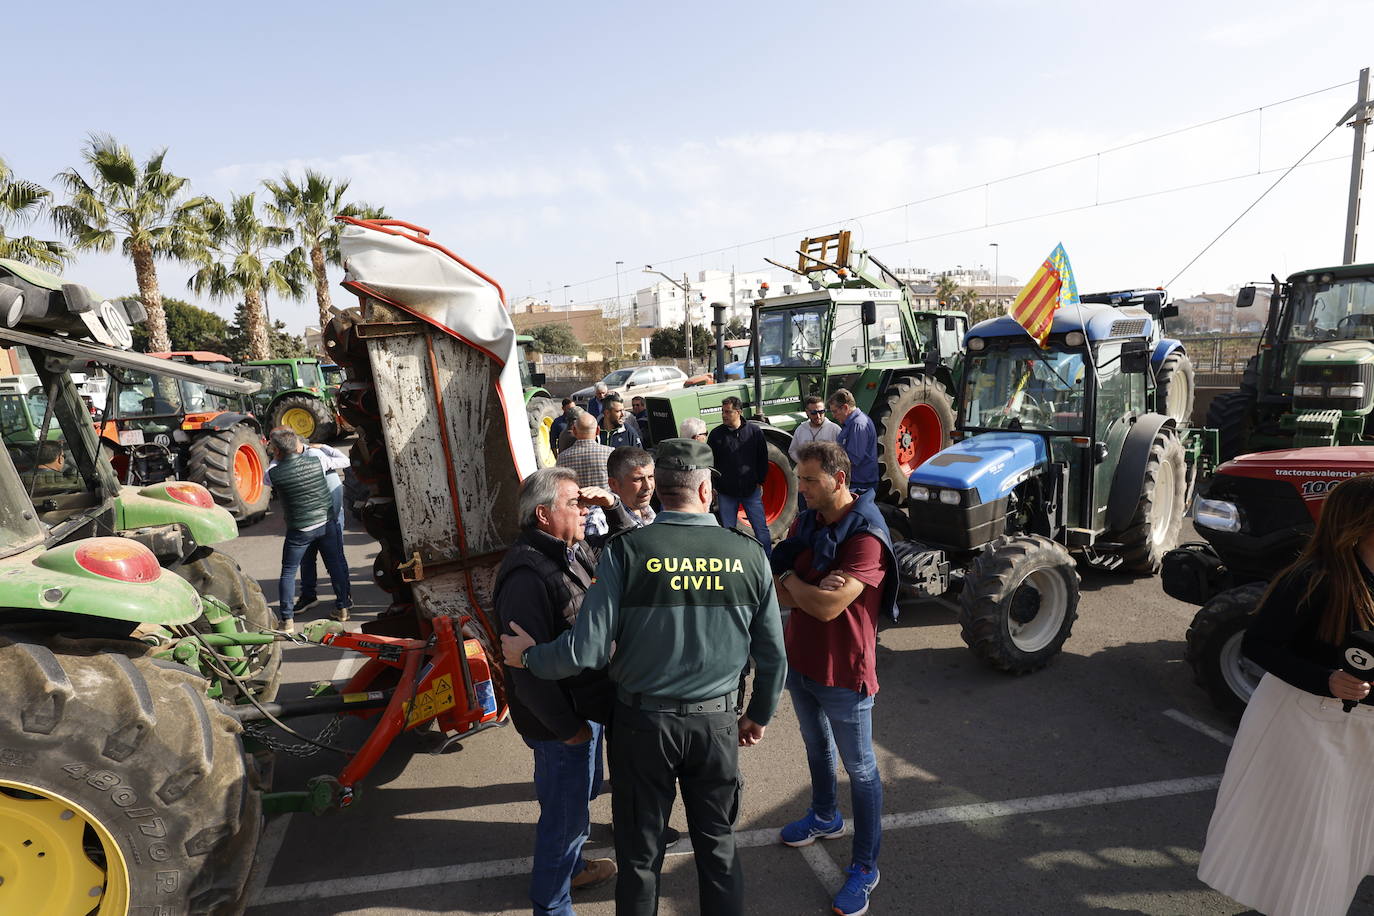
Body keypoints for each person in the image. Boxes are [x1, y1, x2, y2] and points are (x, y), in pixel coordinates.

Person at [502, 438, 787, 916]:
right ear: (705, 489)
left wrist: (530, 659)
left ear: (662, 491)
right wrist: (759, 714)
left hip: (642, 728)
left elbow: (586, 649)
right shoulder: (748, 554)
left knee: (639, 858)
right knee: (717, 849)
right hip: (715, 726)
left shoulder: (625, 552)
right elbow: (774, 655)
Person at [1198, 475, 1374, 916]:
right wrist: (1326, 680)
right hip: (1312, 726)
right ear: (1361, 523)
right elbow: (1257, 644)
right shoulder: (1312, 578)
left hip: (1361, 735)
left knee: (1347, 838)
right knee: (1316, 839)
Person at [771, 441, 896, 916]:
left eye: (809, 481)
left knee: (862, 770)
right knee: (815, 745)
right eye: (800, 479)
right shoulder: (809, 522)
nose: (800, 490)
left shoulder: (867, 534)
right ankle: (825, 815)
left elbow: (825, 606)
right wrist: (800, 585)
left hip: (845, 671)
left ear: (839, 479)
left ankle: (865, 868)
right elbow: (774, 569)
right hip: (801, 660)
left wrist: (795, 585)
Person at [494, 467, 625, 914]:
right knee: (565, 818)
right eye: (575, 503)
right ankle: (551, 903)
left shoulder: (571, 551)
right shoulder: (527, 574)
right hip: (561, 721)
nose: (584, 509)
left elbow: (629, 552)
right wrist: (569, 729)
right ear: (544, 514)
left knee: (575, 799)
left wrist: (614, 508)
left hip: (583, 707)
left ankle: (573, 869)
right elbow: (523, 671)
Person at [263, 428, 352, 633]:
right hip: (326, 523)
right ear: (297, 445)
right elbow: (341, 459)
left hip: (300, 530)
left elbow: (268, 477)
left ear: (276, 451)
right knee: (336, 564)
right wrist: (322, 447)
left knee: (288, 571)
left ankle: (287, 621)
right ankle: (343, 608)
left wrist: (277, 458)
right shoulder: (318, 460)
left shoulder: (273, 472)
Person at [707, 396, 773, 558]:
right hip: (726, 493)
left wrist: (760, 481)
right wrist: (714, 487)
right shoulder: (716, 435)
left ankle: (768, 562)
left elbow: (762, 458)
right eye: (723, 412)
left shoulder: (754, 432)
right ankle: (731, 562)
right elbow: (710, 464)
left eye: (728, 412)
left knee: (760, 528)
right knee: (728, 531)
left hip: (751, 491)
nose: (724, 415)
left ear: (738, 412)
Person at [294, 441, 348, 621]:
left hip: (324, 520)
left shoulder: (317, 459)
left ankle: (343, 600)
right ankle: (335, 600)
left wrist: (324, 448)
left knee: (334, 561)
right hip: (320, 519)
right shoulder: (319, 459)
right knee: (315, 560)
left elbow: (344, 461)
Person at [557, 412, 614, 538]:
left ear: (574, 431)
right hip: (607, 515)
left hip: (577, 519)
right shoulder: (610, 453)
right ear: (598, 430)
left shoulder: (562, 458)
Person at [828, 389, 878, 492]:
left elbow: (853, 459)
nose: (833, 415)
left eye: (835, 411)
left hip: (860, 484)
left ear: (845, 407)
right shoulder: (852, 423)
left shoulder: (858, 425)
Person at [605, 446, 655, 527]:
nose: (648, 486)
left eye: (650, 477)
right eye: (638, 479)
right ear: (613, 484)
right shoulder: (600, 519)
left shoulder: (647, 511)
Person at [788, 395, 841, 463]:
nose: (818, 416)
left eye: (821, 412)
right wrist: (803, 462)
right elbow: (792, 451)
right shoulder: (801, 429)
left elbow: (842, 453)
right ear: (807, 412)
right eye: (814, 413)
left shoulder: (834, 429)